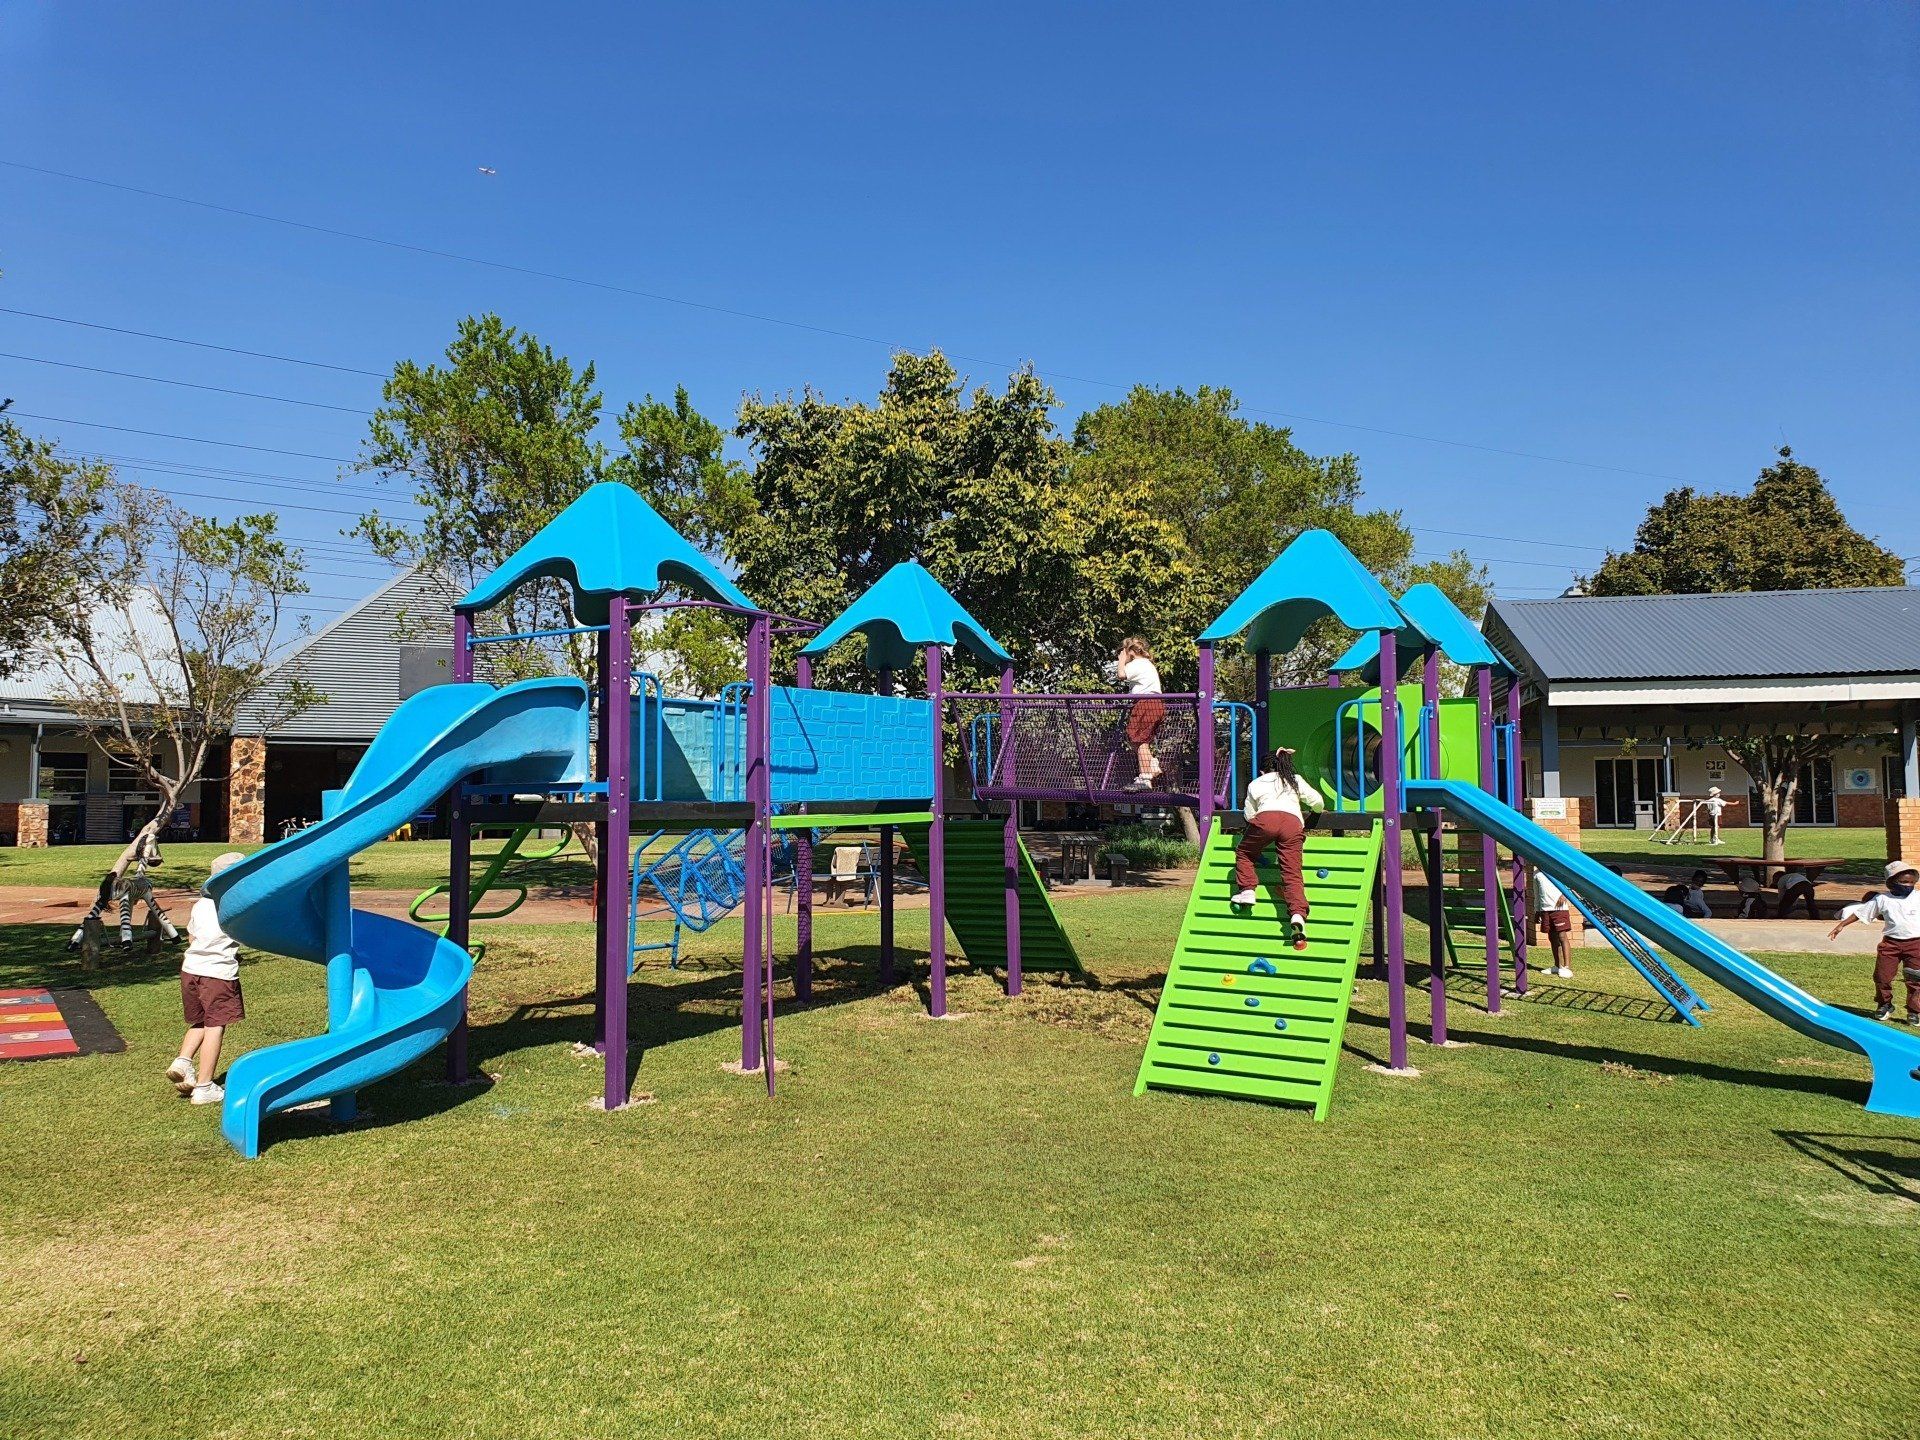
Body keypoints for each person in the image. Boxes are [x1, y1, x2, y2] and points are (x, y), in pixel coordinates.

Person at [165, 852, 247, 1105]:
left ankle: (183, 1060)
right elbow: (246, 935)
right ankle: (204, 1085)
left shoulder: (201, 905)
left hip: (191, 969)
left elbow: (192, 937)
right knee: (215, 1026)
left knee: (200, 1021)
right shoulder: (235, 907)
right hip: (218, 974)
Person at [1230, 746, 1324, 949]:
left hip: (1266, 819)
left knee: (1245, 853)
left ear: (1263, 770)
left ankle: (1247, 890)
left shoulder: (1256, 783)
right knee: (1292, 873)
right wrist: (1316, 810)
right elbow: (1317, 802)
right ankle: (1298, 915)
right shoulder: (1294, 779)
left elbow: (1249, 814)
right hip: (1292, 823)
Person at [1827, 860, 1920, 1025]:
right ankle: (1885, 1004)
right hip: (1891, 944)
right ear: (1892, 882)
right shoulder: (1882, 899)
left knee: (1915, 978)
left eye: (1912, 882)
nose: (1908, 885)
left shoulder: (1918, 897)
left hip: (1915, 944)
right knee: (1882, 976)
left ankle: (1914, 1011)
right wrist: (1841, 925)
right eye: (1904, 882)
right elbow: (1862, 912)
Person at [67, 830, 179, 953]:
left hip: (118, 885)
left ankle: (74, 940)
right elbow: (143, 866)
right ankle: (129, 941)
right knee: (150, 910)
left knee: (94, 913)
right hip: (133, 887)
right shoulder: (144, 885)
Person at [1116, 637, 1166, 790]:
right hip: (1155, 704)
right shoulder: (1147, 664)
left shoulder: (1137, 664)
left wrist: (1121, 660)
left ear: (1130, 651)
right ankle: (1151, 764)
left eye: (1124, 651)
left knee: (1139, 740)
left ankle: (1145, 778)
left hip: (1146, 703)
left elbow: (1121, 675)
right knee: (1136, 738)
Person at [1532, 867, 1574, 978]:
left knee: (1562, 936)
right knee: (1552, 937)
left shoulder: (1557, 869)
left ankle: (1567, 967)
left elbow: (1570, 882)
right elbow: (1536, 894)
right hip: (1545, 910)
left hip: (1559, 909)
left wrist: (1564, 895)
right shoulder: (1537, 874)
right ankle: (1557, 966)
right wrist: (1537, 911)